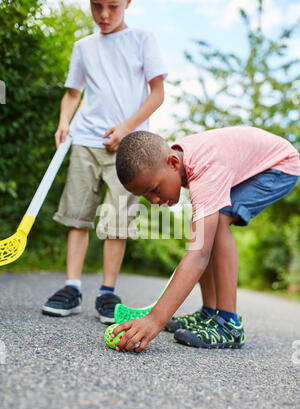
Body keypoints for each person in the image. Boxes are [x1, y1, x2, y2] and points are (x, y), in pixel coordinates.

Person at [111, 126, 300, 351]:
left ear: (173, 163)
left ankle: (229, 324)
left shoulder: (204, 166)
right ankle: (210, 313)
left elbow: (199, 254)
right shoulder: (180, 159)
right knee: (204, 226)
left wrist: (154, 320)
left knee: (219, 218)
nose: (153, 200)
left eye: (153, 189)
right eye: (145, 195)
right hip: (260, 163)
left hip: (280, 166)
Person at [42, 0, 167, 322]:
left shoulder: (142, 39)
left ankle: (107, 292)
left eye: (112, 5)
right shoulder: (84, 46)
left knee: (117, 222)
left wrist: (126, 128)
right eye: (97, 6)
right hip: (85, 141)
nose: (104, 15)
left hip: (129, 148)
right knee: (77, 216)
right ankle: (71, 288)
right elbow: (73, 94)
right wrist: (63, 122)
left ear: (127, 3)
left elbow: (157, 94)